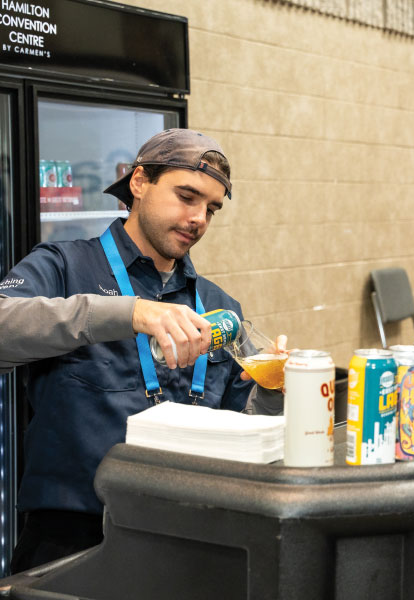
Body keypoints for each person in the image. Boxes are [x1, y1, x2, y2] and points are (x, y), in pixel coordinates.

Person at [0, 129, 284, 573]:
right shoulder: (63, 266)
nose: (198, 219)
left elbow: (240, 444)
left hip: (188, 541)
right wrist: (129, 313)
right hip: (73, 543)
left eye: (211, 208)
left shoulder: (220, 308)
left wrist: (272, 391)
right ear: (138, 183)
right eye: (186, 196)